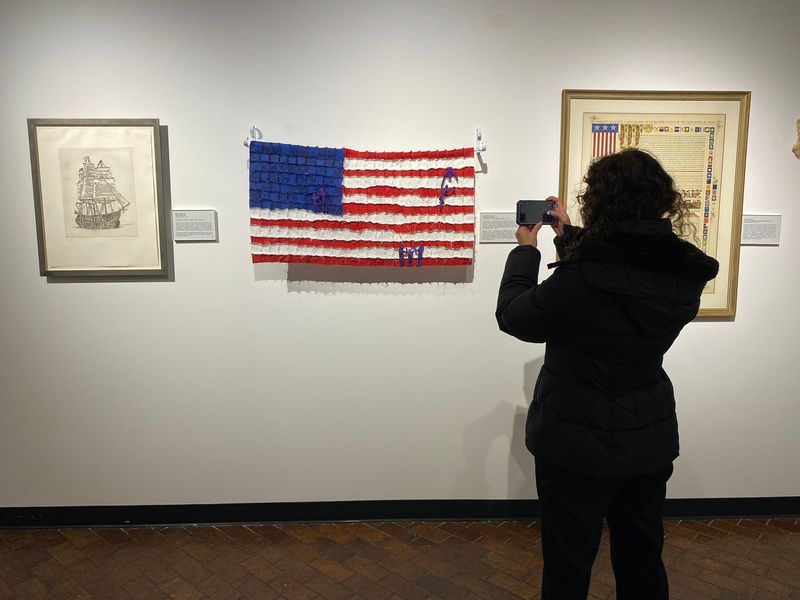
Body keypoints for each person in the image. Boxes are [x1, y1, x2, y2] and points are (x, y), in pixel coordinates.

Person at [495, 149, 719, 599]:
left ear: (599, 200)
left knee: (568, 564)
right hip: (647, 436)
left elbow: (516, 317)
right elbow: (623, 276)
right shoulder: (683, 271)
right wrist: (568, 237)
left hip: (575, 440)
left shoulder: (583, 278)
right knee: (641, 560)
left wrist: (525, 252)